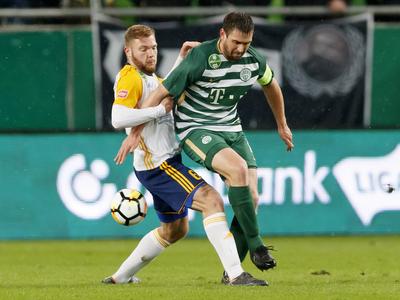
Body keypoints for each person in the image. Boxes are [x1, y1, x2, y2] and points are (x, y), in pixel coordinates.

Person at [115, 12, 294, 282]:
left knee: (175, 230)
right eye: (144, 49)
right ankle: (238, 270)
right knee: (215, 197)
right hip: (161, 162)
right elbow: (126, 114)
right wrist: (135, 132)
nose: (151, 53)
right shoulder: (130, 77)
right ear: (128, 51)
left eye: (153, 47)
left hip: (176, 156)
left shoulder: (151, 76)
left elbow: (167, 85)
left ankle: (119, 278)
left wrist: (281, 124)